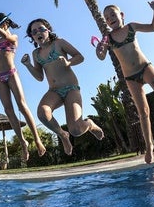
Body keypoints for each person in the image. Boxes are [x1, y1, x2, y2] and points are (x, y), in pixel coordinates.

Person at [96, 0, 154, 163]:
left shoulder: (131, 26)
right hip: (131, 78)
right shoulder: (107, 38)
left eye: (113, 14)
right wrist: (99, 49)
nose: (110, 18)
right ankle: (149, 146)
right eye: (107, 17)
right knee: (143, 112)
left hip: (145, 67)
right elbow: (102, 56)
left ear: (121, 15)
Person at [21, 18, 104, 156]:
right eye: (34, 32)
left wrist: (68, 62)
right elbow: (40, 77)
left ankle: (89, 124)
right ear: (32, 37)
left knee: (76, 130)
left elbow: (80, 57)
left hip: (71, 88)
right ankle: (62, 135)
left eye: (41, 29)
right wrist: (28, 65)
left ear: (48, 30)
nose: (38, 33)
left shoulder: (59, 43)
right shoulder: (35, 54)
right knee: (42, 113)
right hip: (54, 91)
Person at [0, 11, 46, 161]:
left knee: (22, 105)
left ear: (6, 23)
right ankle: (23, 143)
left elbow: (8, 37)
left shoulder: (13, 37)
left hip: (11, 73)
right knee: (8, 110)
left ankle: (37, 139)